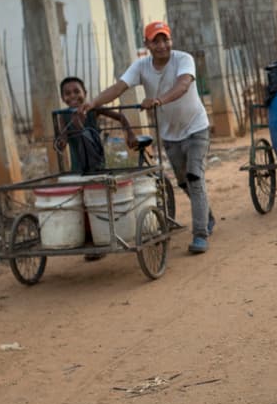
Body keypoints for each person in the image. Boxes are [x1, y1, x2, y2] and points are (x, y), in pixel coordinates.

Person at [81, 20, 215, 254]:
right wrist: (93, 102)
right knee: (184, 181)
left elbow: (184, 85)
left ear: (171, 41)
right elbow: (119, 87)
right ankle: (206, 215)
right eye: (156, 41)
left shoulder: (183, 59)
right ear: (147, 44)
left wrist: (158, 100)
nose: (162, 45)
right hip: (170, 134)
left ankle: (200, 233)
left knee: (194, 177)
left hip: (196, 128)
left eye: (166, 39)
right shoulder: (141, 66)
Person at [54, 76, 139, 175]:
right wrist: (60, 143)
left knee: (98, 184)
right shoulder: (63, 115)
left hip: (96, 159)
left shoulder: (93, 109)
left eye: (77, 92)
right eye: (67, 94)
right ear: (63, 98)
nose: (73, 96)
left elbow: (120, 116)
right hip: (77, 164)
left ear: (85, 93)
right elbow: (63, 138)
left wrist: (130, 133)